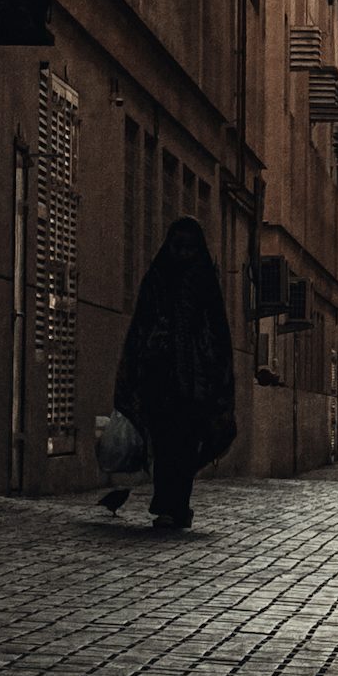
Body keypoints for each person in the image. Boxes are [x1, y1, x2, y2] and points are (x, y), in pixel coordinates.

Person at [114, 217, 236, 530]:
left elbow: (218, 336)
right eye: (178, 246)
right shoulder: (158, 280)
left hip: (194, 385)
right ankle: (170, 505)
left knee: (183, 446)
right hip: (160, 379)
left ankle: (174, 505)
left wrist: (216, 383)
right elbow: (140, 329)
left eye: (188, 248)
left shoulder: (204, 284)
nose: (182, 253)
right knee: (167, 444)